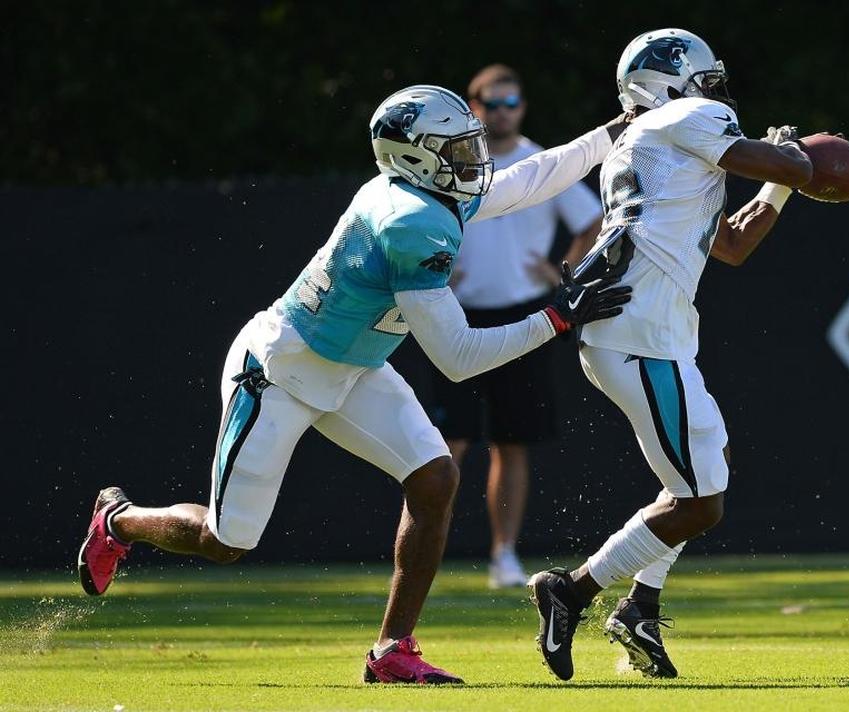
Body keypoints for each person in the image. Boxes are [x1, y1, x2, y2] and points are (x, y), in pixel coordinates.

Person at [77, 84, 631, 686]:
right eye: (459, 147)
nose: (476, 159)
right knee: (227, 539)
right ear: (420, 157)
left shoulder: (428, 192)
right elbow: (458, 356)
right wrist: (558, 317)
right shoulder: (411, 223)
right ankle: (118, 520)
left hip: (355, 367)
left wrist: (617, 129)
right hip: (280, 373)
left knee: (436, 476)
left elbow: (532, 177)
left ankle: (393, 649)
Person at [526, 29, 814, 681]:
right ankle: (569, 591)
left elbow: (734, 245)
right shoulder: (687, 119)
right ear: (668, 86)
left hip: (650, 333)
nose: (717, 94)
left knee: (711, 464)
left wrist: (782, 182)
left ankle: (641, 606)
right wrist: (796, 158)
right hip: (641, 336)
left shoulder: (658, 152)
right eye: (705, 81)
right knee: (700, 502)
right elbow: (793, 166)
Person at [432, 64, 604, 589]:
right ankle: (425, 554)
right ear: (474, 107)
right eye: (493, 103)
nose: (503, 112)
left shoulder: (541, 164)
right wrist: (437, 262)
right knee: (445, 446)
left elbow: (592, 220)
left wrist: (562, 272)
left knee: (512, 443)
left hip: (526, 318)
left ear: (522, 108)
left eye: (512, 102)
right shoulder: (457, 164)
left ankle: (504, 556)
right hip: (455, 318)